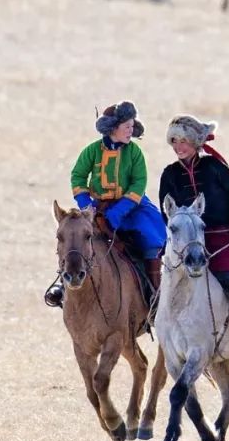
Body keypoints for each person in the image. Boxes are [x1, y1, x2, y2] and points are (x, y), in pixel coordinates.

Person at [46, 101, 166, 308]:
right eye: (126, 126)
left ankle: (155, 295)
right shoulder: (91, 151)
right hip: (97, 208)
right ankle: (64, 286)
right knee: (76, 238)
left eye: (132, 125)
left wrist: (121, 210)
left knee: (150, 239)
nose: (131, 130)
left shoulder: (135, 152)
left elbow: (139, 183)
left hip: (133, 207)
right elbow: (78, 176)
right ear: (113, 128)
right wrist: (86, 205)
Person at [158, 115, 229, 328]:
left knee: (223, 272)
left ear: (195, 142)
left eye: (184, 141)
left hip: (220, 235)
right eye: (174, 142)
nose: (178, 147)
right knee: (169, 276)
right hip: (185, 239)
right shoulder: (169, 174)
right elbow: (167, 210)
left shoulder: (214, 167)